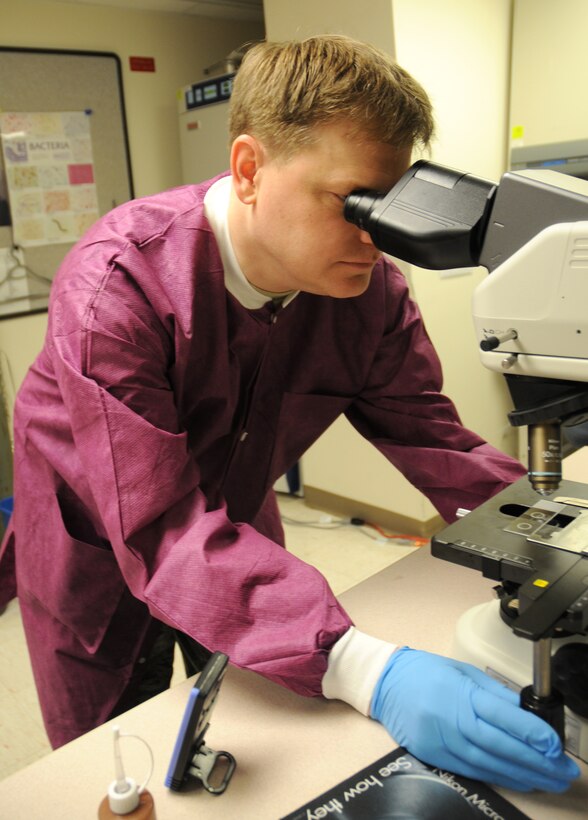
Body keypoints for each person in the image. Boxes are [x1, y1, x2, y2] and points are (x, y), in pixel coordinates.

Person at [0, 36, 580, 792]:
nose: (377, 236)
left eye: (394, 206)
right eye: (352, 203)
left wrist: (556, 533)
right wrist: (369, 669)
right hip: (100, 547)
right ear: (248, 169)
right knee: (121, 760)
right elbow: (163, 529)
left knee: (257, 713)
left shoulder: (367, 294)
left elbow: (436, 440)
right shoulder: (117, 290)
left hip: (232, 519)